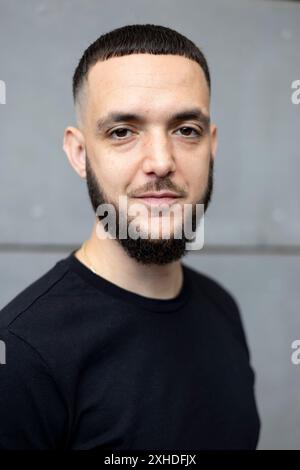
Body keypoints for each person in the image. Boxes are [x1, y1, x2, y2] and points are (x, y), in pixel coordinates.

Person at [0, 24, 260, 450]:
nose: (160, 162)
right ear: (80, 154)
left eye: (186, 130)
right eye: (123, 131)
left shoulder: (222, 308)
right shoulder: (22, 352)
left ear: (211, 147)